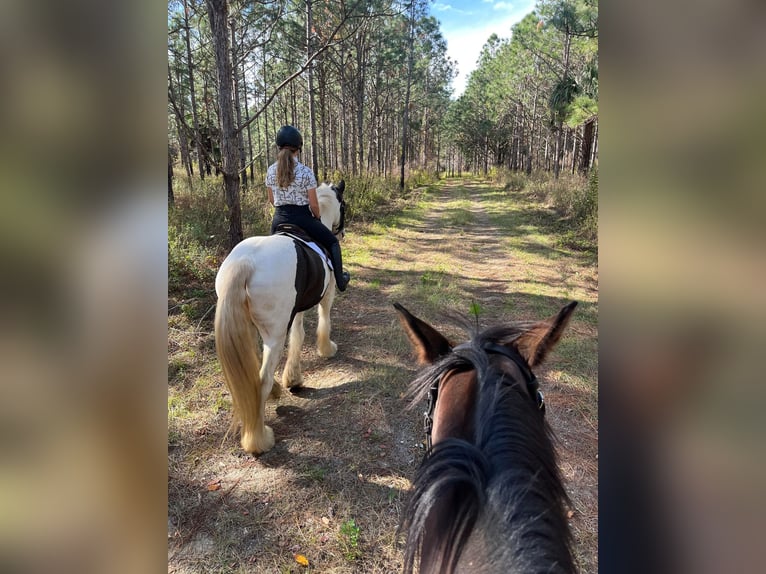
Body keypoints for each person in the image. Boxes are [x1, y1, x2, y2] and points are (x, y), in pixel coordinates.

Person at [265, 125, 350, 291]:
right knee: (333, 242)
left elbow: (271, 199)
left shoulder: (270, 170)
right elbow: (313, 204)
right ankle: (340, 281)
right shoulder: (305, 172)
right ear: (299, 148)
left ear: (279, 146)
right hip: (302, 219)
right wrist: (317, 218)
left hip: (278, 220)